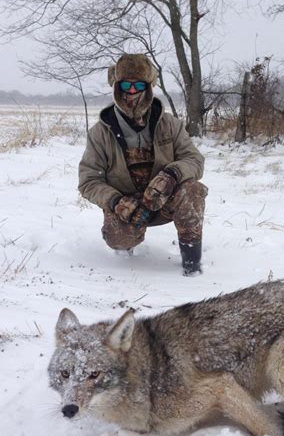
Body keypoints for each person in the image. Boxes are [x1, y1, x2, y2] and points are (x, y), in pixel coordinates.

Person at [78, 53, 208, 275]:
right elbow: (88, 181)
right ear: (116, 86)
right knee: (118, 238)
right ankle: (125, 250)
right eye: (125, 85)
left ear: (148, 87)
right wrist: (116, 201)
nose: (131, 92)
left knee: (192, 190)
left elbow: (195, 160)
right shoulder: (100, 133)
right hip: (128, 209)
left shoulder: (170, 125)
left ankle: (192, 265)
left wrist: (172, 175)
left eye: (138, 85)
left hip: (165, 202)